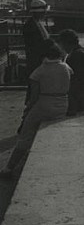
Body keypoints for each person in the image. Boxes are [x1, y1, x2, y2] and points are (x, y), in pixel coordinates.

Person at [0, 39, 73, 178]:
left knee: (25, 135)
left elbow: (33, 98)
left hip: (45, 103)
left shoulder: (39, 72)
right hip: (63, 103)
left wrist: (27, 112)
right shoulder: (66, 68)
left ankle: (9, 168)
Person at [23, 0, 49, 77]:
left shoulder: (36, 23)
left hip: (40, 59)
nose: (45, 14)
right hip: (36, 61)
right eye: (44, 12)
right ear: (38, 13)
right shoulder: (30, 26)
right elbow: (34, 45)